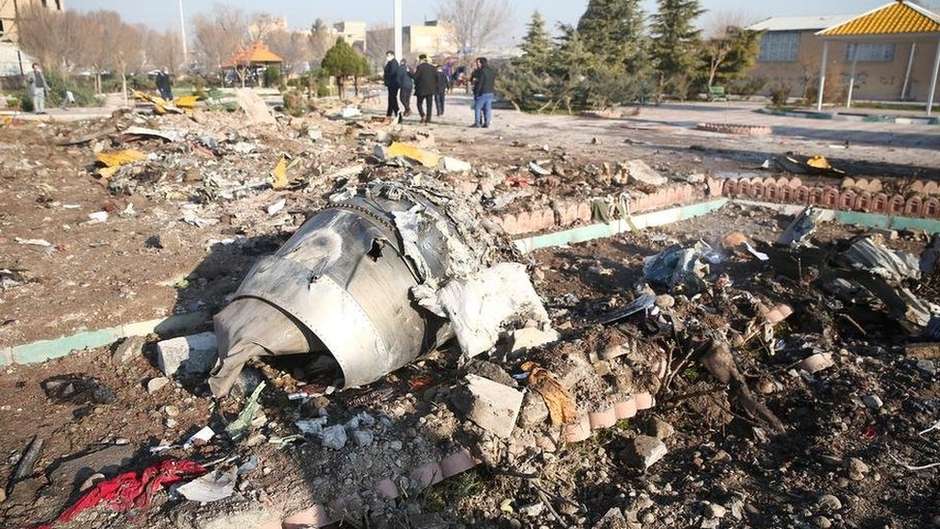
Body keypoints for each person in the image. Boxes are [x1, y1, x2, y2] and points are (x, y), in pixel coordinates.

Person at [471, 57, 496, 128]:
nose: (477, 64)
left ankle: (477, 123)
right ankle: (487, 123)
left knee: (477, 108)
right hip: (490, 92)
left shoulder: (482, 72)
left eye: (478, 63)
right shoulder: (491, 71)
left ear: (481, 63)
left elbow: (480, 83)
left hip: (482, 93)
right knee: (487, 109)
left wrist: (476, 93)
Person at [413, 54, 437, 124]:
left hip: (421, 89)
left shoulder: (419, 67)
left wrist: (409, 73)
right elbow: (436, 77)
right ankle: (428, 119)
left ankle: (423, 115)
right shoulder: (433, 67)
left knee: (419, 103)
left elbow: (415, 77)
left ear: (420, 60)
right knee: (429, 105)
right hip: (430, 89)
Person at [383, 51, 401, 122]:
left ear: (392, 55)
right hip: (391, 84)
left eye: (388, 55)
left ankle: (398, 114)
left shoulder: (394, 63)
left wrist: (387, 76)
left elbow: (392, 73)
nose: (387, 57)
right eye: (387, 55)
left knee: (393, 99)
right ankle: (389, 115)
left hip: (393, 84)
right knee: (390, 100)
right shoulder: (390, 62)